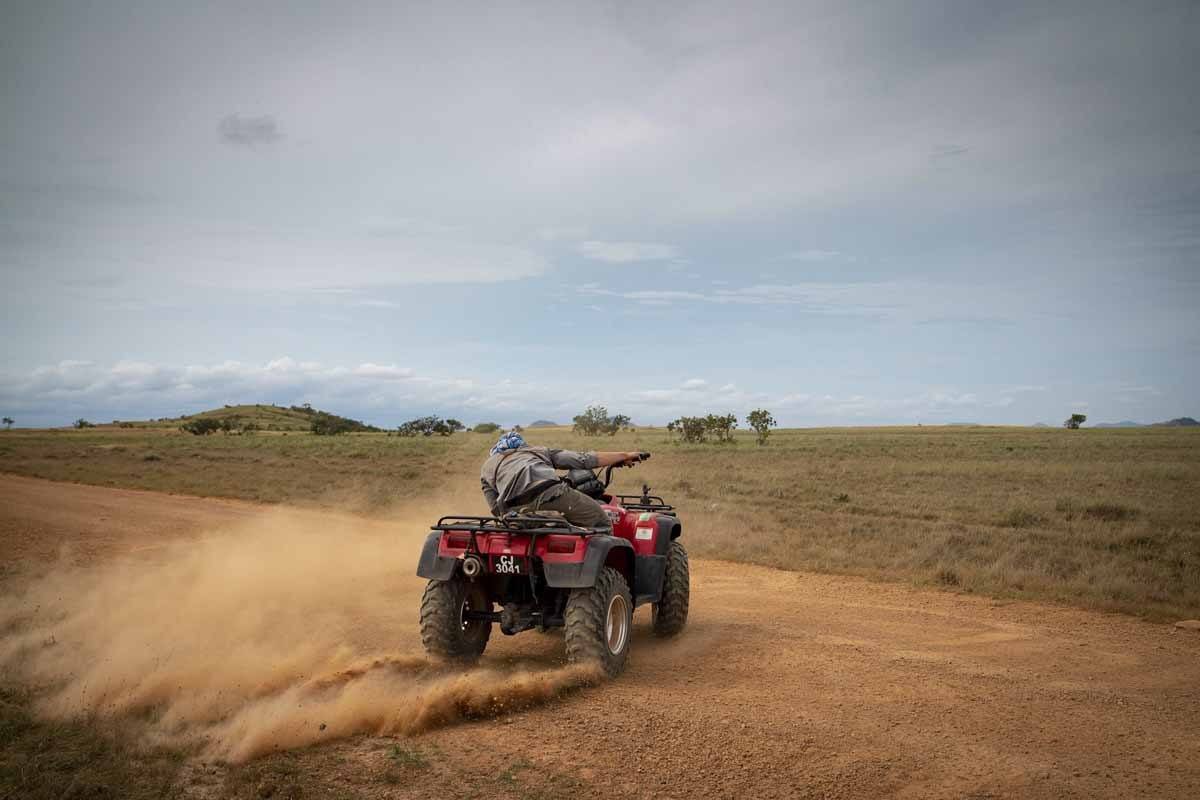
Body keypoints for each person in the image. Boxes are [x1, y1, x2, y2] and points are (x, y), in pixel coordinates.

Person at [480, 431, 642, 532]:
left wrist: (508, 517)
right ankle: (605, 576)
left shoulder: (487, 467)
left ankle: (529, 521)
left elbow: (495, 507)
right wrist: (625, 455)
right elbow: (583, 460)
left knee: (521, 517)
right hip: (551, 493)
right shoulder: (536, 451)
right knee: (602, 521)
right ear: (521, 446)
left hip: (515, 508)